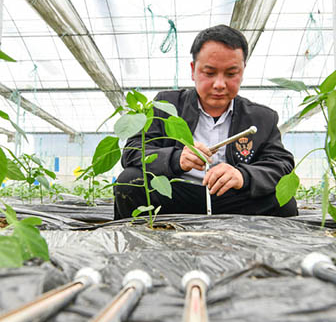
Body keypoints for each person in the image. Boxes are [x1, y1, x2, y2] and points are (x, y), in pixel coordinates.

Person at [113, 24, 299, 219]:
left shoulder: (261, 118)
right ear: (193, 70)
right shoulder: (167, 106)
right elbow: (133, 151)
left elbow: (281, 164)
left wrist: (242, 176)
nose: (219, 84)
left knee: (283, 201)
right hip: (176, 194)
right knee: (130, 182)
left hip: (234, 199)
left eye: (231, 73)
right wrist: (177, 159)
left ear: (242, 71)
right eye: (209, 73)